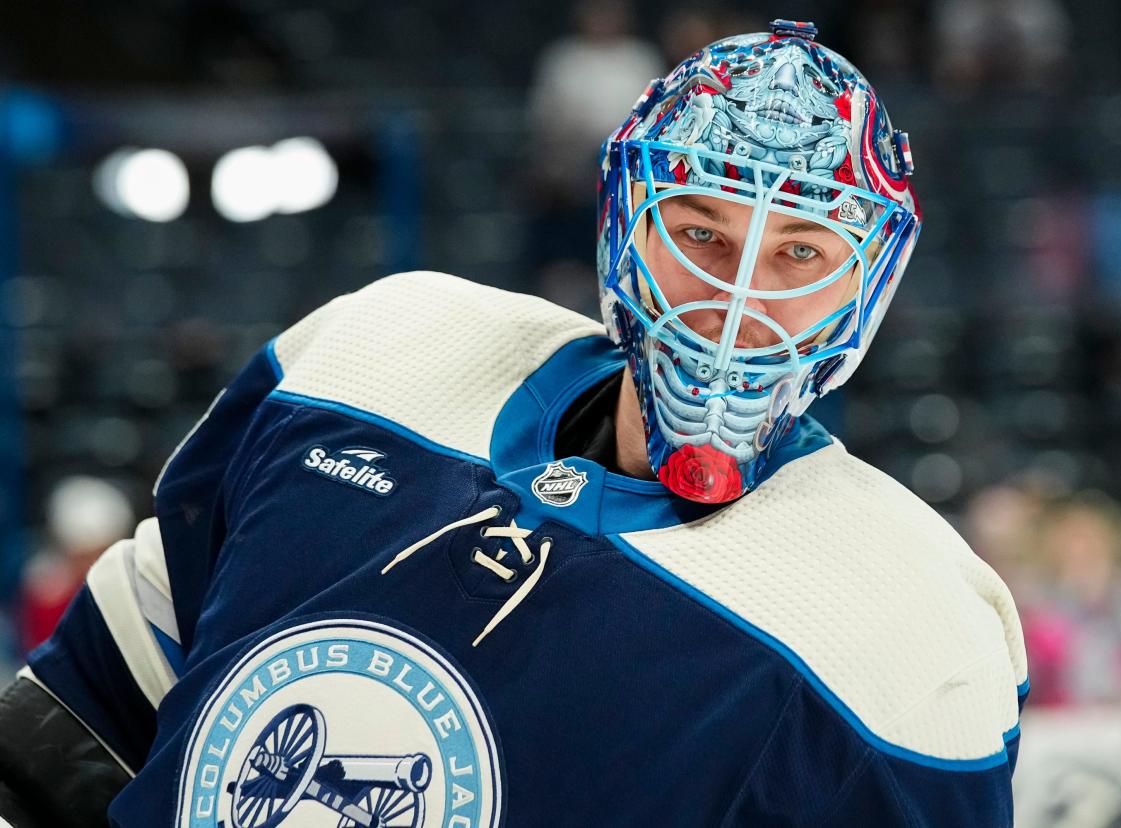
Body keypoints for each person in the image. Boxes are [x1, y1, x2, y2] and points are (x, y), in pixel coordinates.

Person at [0, 20, 1028, 826]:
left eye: (801, 254)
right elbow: (71, 734)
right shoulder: (372, 359)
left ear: (869, 282)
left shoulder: (911, 639)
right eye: (701, 231)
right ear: (626, 225)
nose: (737, 297)